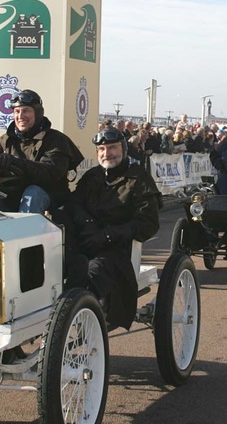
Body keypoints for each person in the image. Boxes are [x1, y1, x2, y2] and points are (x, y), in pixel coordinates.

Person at [63, 126, 160, 331]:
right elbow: (74, 204)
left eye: (112, 148)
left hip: (117, 250)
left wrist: (108, 235)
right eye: (102, 149)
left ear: (123, 149)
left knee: (91, 272)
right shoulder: (92, 177)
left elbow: (147, 223)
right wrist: (87, 224)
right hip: (85, 242)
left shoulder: (138, 178)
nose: (107, 153)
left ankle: (85, 324)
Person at [0, 89, 83, 214]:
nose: (20, 116)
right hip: (10, 200)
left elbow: (49, 173)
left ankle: (26, 232)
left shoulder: (56, 140)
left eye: (26, 111)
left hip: (47, 204)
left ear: (38, 113)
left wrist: (16, 163)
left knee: (32, 192)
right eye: (17, 111)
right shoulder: (6, 140)